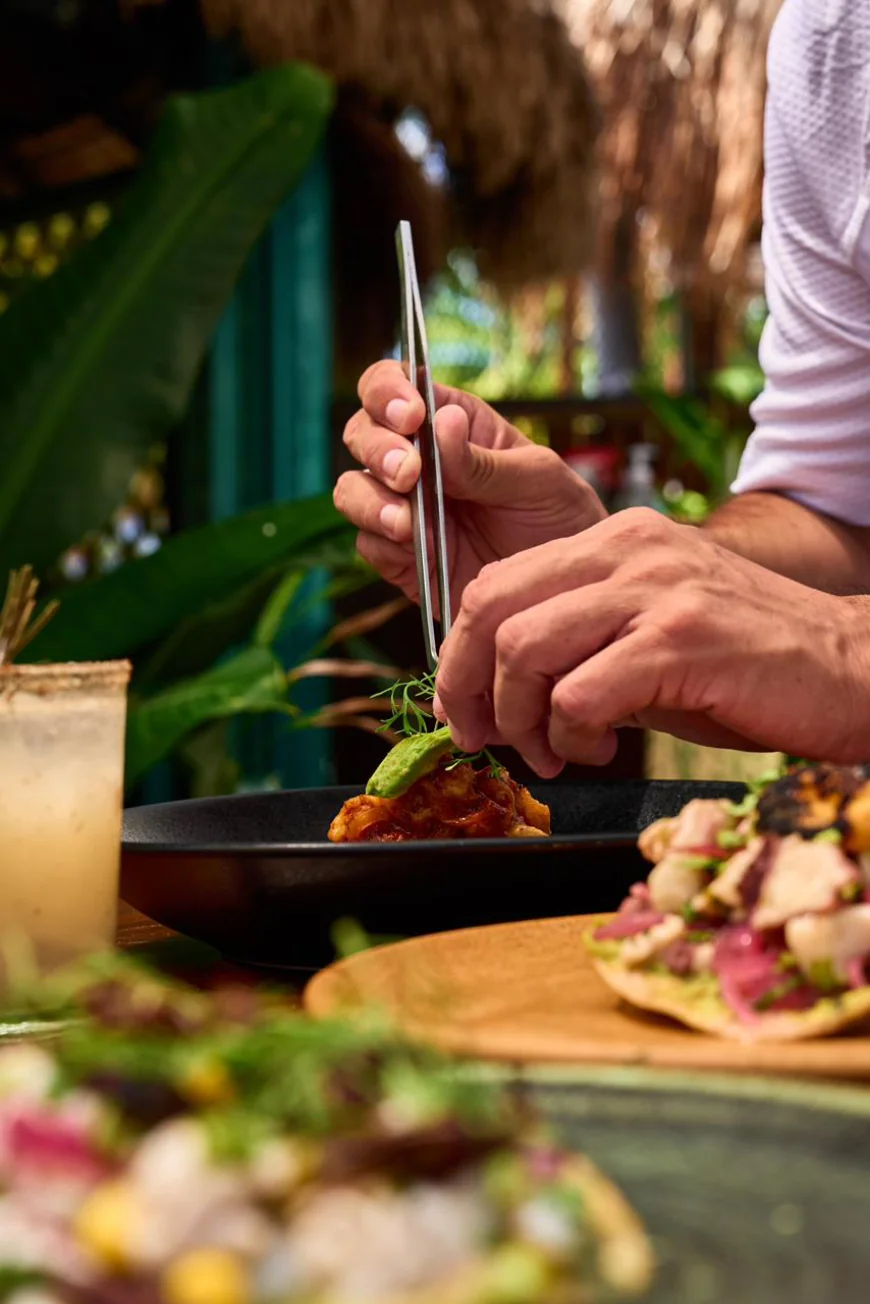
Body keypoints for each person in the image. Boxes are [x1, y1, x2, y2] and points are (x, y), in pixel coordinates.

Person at [333, 0, 870, 778]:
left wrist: (847, 648)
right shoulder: (835, 43)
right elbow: (838, 516)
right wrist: (597, 579)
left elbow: (836, 629)